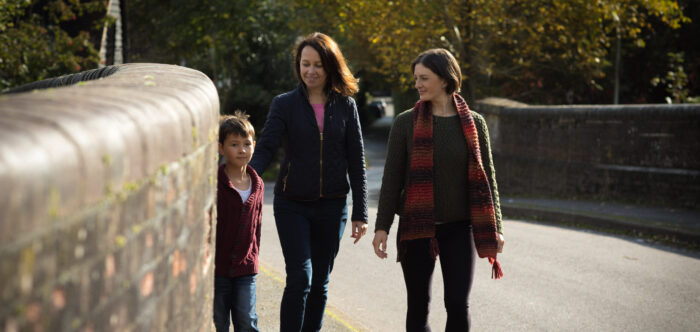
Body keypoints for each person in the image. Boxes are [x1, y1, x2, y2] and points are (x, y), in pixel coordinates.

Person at [372, 48, 505, 332]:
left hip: (460, 228)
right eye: (416, 78)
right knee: (418, 305)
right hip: (416, 228)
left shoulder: (474, 123)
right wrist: (382, 226)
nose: (417, 84)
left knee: (457, 303)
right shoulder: (405, 123)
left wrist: (498, 227)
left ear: (445, 79)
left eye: (424, 78)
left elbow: (487, 178)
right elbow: (392, 178)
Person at [250, 32, 368, 332]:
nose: (311, 71)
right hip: (292, 205)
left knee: (320, 283)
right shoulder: (284, 104)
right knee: (300, 277)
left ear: (329, 67)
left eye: (317, 64)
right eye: (305, 64)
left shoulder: (346, 106)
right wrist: (245, 178)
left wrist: (360, 212)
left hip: (333, 207)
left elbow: (356, 161)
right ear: (298, 66)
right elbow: (266, 147)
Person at [213, 111, 264, 332]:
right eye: (234, 144)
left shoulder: (258, 183)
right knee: (219, 322)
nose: (242, 150)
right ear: (221, 148)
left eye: (247, 143)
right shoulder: (214, 182)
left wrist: (253, 258)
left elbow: (256, 227)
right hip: (218, 268)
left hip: (246, 268)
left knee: (247, 321)